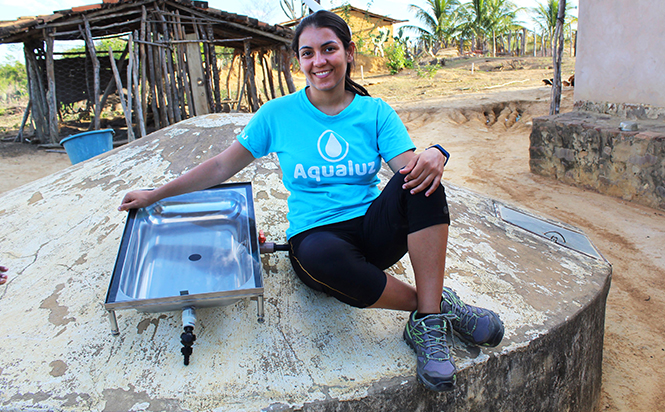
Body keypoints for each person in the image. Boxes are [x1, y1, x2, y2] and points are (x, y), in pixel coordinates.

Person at [119, 10, 503, 392]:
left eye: (329, 49)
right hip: (317, 238)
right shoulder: (278, 115)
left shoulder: (374, 112)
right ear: (298, 60)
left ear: (349, 52)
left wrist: (436, 153)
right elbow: (221, 166)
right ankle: (437, 308)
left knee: (424, 183)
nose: (319, 61)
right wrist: (155, 196)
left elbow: (409, 170)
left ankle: (427, 321)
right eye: (308, 53)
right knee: (323, 258)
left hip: (372, 231)